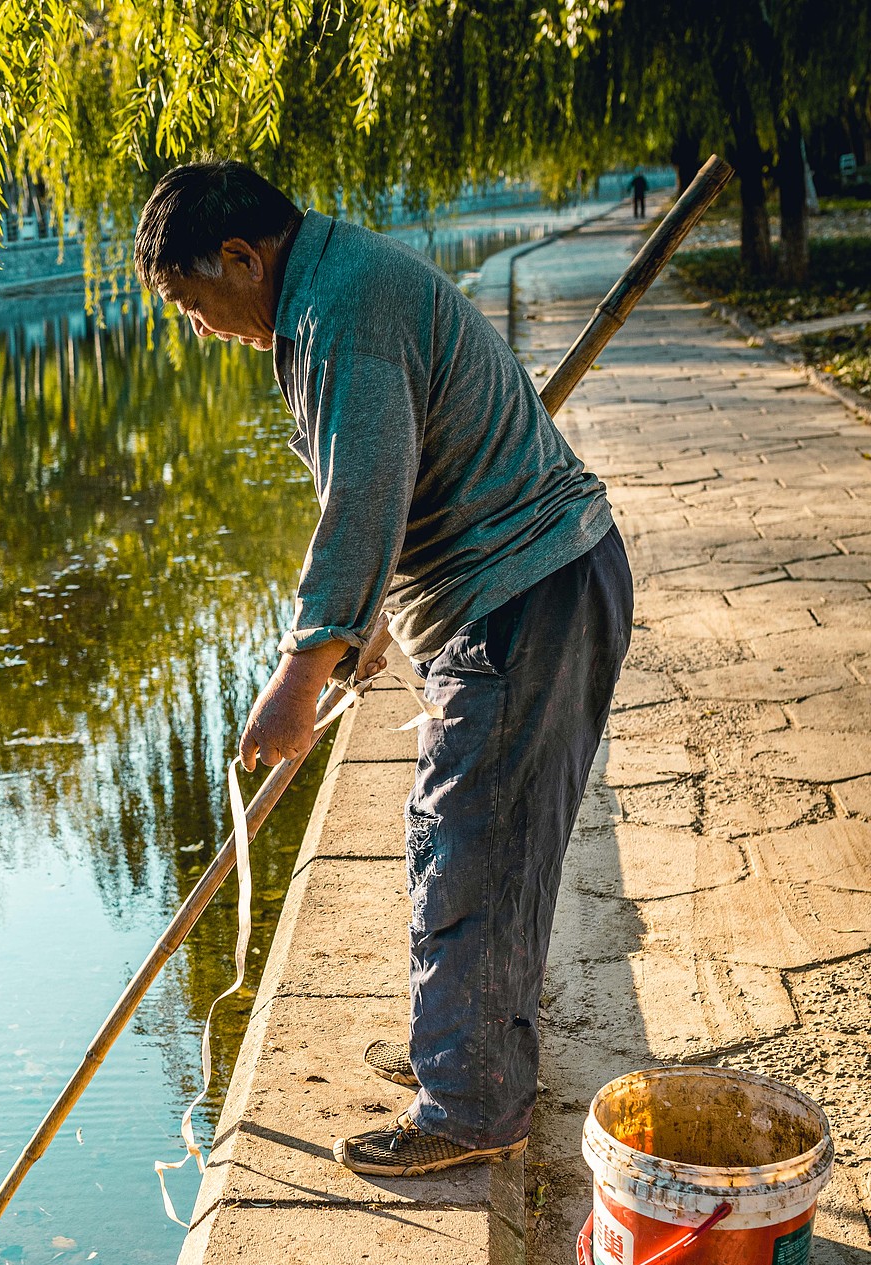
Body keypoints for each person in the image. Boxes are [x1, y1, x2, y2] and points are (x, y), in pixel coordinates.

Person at [133, 161, 632, 1177]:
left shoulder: (340, 313)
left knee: (471, 850)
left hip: (520, 600)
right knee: (466, 841)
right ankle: (469, 1055)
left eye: (194, 303)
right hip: (525, 588)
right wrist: (365, 623)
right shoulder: (330, 285)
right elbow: (398, 477)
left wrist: (299, 673)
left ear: (240, 256)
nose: (198, 329)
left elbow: (361, 492)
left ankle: (468, 1104)